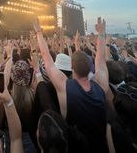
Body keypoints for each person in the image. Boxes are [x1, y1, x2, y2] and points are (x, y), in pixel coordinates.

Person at [34, 17, 109, 153]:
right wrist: (101, 34)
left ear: (72, 68)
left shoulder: (65, 87)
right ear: (90, 68)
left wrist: (39, 32)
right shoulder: (102, 86)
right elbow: (101, 59)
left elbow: (47, 58)